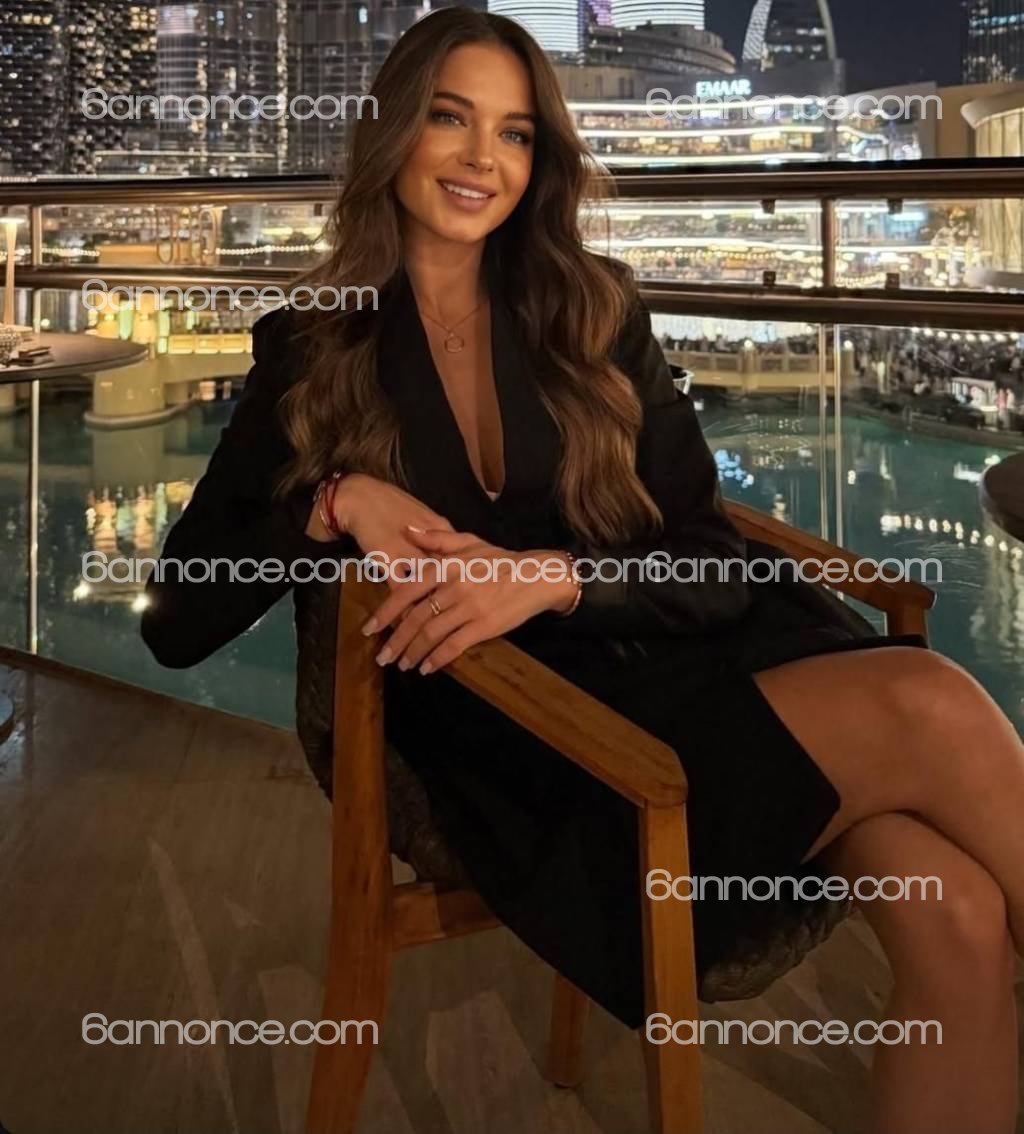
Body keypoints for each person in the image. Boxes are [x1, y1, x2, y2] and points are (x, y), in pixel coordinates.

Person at [140, 10, 1023, 1133]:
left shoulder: (595, 309)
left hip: (682, 660)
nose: (482, 158)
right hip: (523, 737)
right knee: (928, 701)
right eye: (451, 119)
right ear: (392, 131)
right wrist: (334, 501)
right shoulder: (312, 349)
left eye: (514, 133)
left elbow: (708, 556)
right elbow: (178, 619)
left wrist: (555, 576)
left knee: (958, 916)